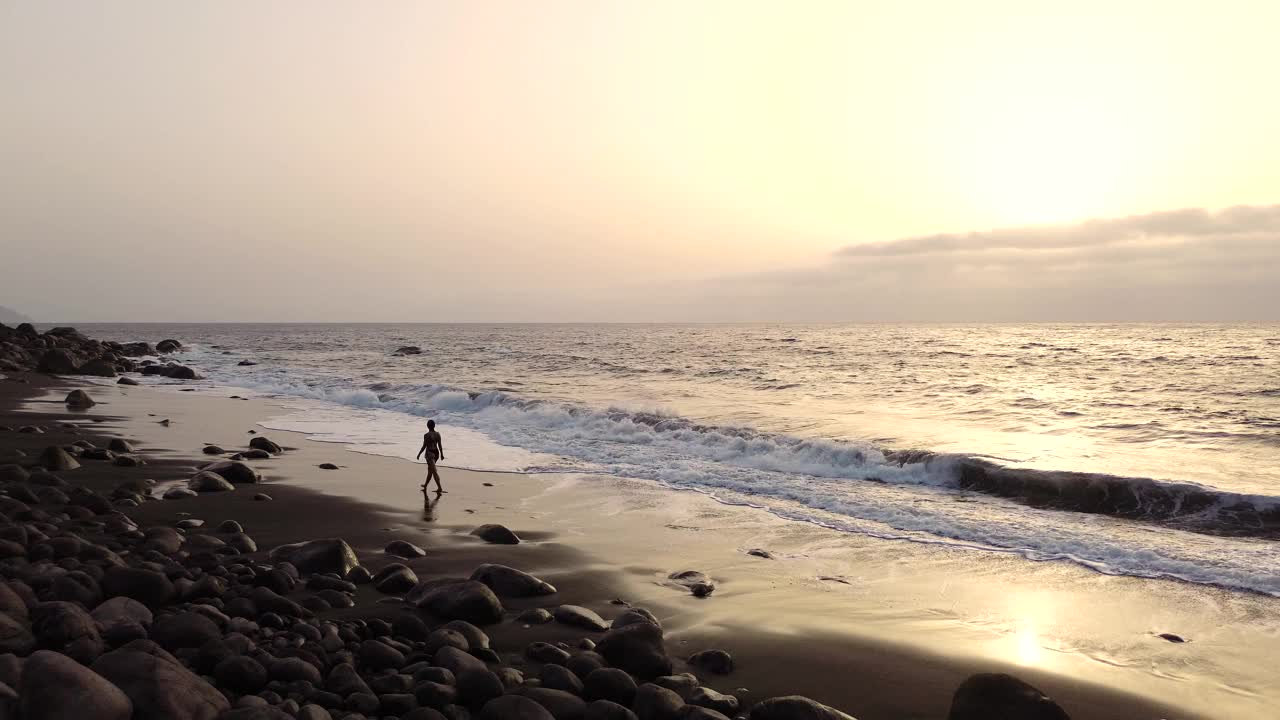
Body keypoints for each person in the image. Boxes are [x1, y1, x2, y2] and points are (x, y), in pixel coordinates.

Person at [416, 419, 445, 493]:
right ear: (434, 426)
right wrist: (442, 454)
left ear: (427, 426)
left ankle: (440, 488)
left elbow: (424, 446)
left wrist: (419, 454)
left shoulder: (426, 435)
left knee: (434, 471)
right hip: (436, 453)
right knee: (430, 470)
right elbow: (440, 445)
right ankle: (425, 485)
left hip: (430, 454)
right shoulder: (438, 434)